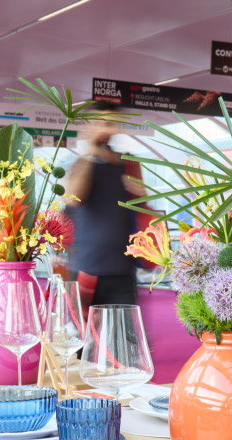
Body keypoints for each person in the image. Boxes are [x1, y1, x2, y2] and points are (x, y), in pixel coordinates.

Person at [64, 101, 142, 305]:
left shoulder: (128, 162)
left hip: (122, 268)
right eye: (103, 123)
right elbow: (73, 198)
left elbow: (142, 204)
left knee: (125, 325)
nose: (109, 130)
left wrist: (139, 193)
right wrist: (91, 150)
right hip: (85, 267)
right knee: (82, 325)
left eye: (112, 123)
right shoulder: (81, 163)